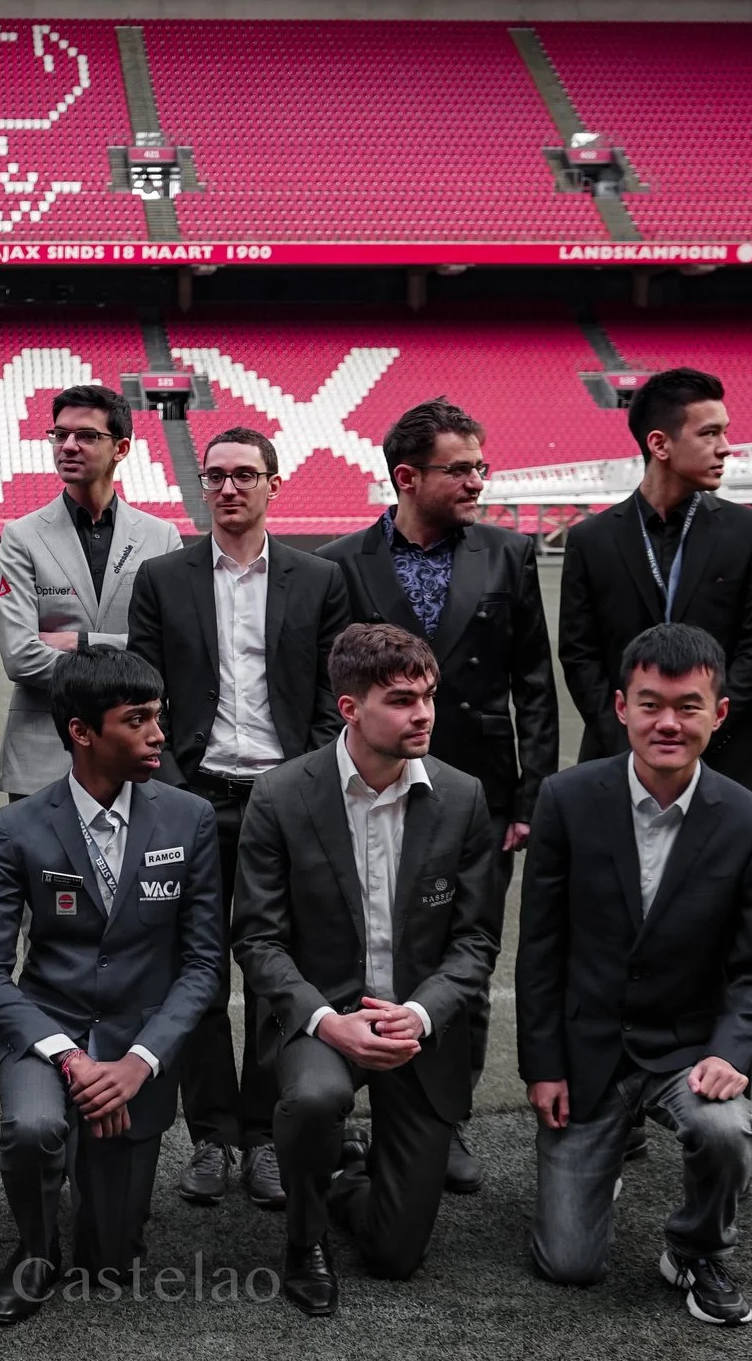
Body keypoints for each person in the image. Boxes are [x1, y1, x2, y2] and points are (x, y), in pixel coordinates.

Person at [517, 624, 752, 1328]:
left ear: (720, 712)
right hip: (588, 1051)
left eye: (688, 705)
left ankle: (697, 1248)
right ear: (619, 706)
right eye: (650, 703)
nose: (668, 722)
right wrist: (544, 1064)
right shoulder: (565, 799)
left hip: (686, 1048)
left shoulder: (751, 825)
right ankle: (594, 1159)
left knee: (726, 1126)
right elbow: (540, 949)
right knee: (570, 1266)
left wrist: (730, 1052)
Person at [318, 397, 556, 1193]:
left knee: (465, 954)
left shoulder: (508, 554)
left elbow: (534, 681)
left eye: (481, 466)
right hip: (368, 790)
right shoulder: (342, 561)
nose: (479, 482)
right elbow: (329, 694)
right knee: (362, 945)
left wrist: (531, 793)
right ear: (407, 476)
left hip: (476, 795)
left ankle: (442, 1118)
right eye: (462, 469)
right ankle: (351, 1106)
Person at [233, 623, 502, 1317]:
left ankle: (346, 1176)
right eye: (403, 699)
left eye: (429, 696)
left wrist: (419, 1012)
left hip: (415, 1026)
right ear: (350, 708)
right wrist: (328, 1022)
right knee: (318, 1097)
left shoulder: (463, 796)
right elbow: (258, 939)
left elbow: (475, 941)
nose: (424, 714)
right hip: (322, 1018)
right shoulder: (281, 795)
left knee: (394, 1256)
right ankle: (303, 1238)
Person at [0, 645, 226, 1325]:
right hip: (50, 1030)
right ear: (82, 731)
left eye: (158, 716)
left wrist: (138, 1062)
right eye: (137, 719)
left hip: (140, 1041)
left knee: (110, 1262)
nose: (158, 733)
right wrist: (71, 1057)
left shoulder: (188, 818)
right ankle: (33, 1247)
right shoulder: (17, 828)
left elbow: (203, 966)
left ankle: (94, 1216)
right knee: (33, 1126)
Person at [127, 426, 349, 1209]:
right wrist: (178, 790)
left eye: (244, 475)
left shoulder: (318, 579)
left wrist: (302, 781)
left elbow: (332, 700)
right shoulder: (162, 578)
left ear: (273, 485)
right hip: (196, 798)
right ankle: (212, 1135)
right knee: (196, 971)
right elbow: (148, 694)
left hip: (284, 801)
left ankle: (263, 1135)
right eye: (215, 475)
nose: (227, 488)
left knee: (273, 972)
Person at [558, 368, 752, 794]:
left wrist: (700, 728)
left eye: (725, 432)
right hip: (618, 759)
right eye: (709, 434)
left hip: (725, 759)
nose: (727, 448)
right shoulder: (591, 539)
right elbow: (579, 653)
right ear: (660, 444)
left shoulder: (751, 532)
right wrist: (627, 734)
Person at [0, 383, 181, 796]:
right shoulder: (22, 536)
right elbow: (20, 657)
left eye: (87, 436)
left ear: (122, 448)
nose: (68, 446)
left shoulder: (162, 537)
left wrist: (80, 641)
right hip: (44, 752)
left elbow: (171, 651)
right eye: (60, 435)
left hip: (134, 752)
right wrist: (124, 659)